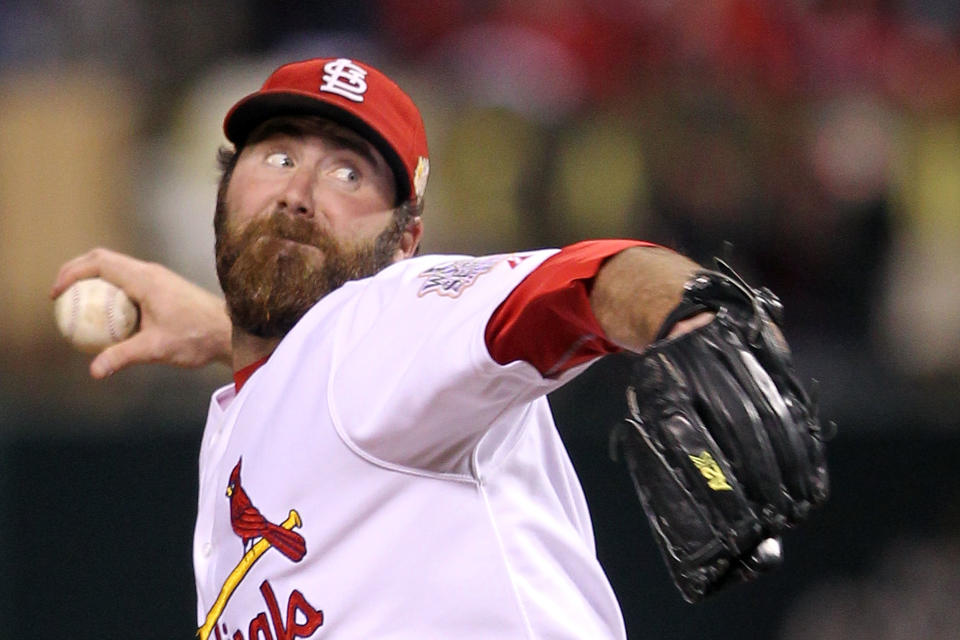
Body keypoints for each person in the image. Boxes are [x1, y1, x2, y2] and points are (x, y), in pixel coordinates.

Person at [52, 57, 712, 639]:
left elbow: (592, 277)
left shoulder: (395, 311)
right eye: (279, 157)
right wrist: (222, 328)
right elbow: (313, 379)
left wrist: (697, 317)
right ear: (222, 195)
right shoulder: (279, 395)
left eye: (347, 173)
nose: (298, 194)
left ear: (405, 241)